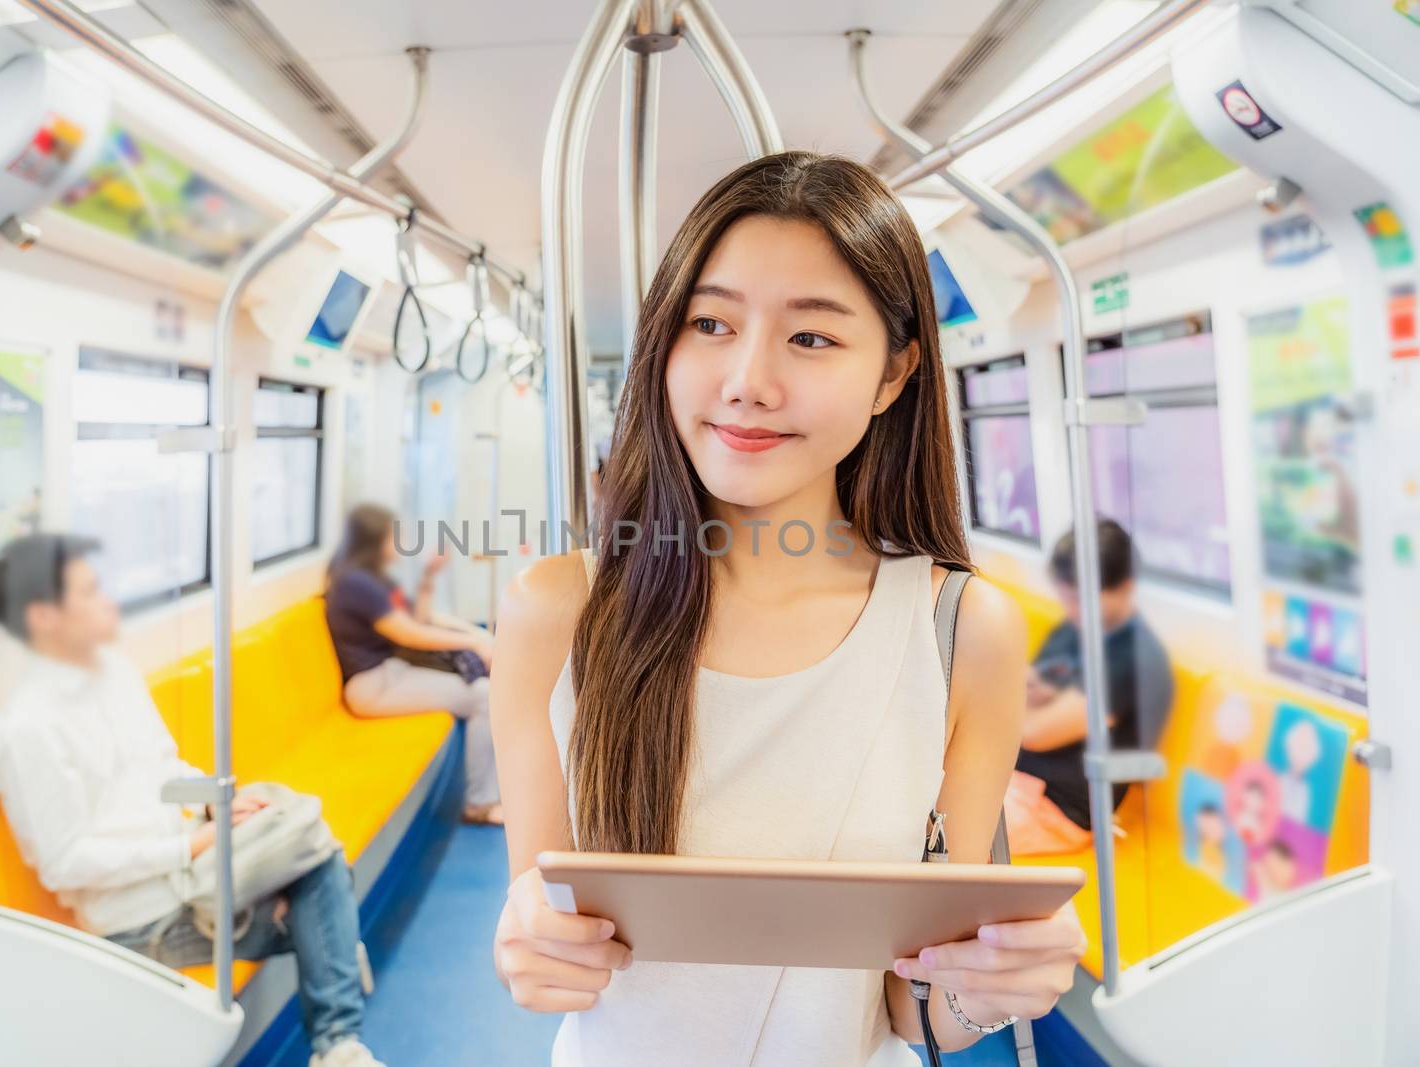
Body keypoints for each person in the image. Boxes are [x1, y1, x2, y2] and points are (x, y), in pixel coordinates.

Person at [489, 152, 1085, 1066]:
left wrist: (995, 982)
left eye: (811, 338)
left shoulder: (960, 632)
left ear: (893, 376)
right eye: (711, 323)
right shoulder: (554, 615)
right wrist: (529, 947)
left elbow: (915, 1010)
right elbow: (545, 951)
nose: (747, 380)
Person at [0, 534, 383, 1067]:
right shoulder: (24, 732)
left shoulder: (110, 673)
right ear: (44, 616)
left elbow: (164, 764)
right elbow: (64, 863)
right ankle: (337, 1034)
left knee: (312, 845)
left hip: (196, 870)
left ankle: (336, 1030)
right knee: (326, 887)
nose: (109, 602)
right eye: (91, 592)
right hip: (141, 918)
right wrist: (189, 847)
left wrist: (216, 804)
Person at [1006, 519, 1175, 855]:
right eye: (1068, 599)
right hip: (1015, 782)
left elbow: (1034, 730)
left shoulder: (1133, 659)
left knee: (940, 834)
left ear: (1126, 586)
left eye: (1083, 600)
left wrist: (1003, 689)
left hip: (1057, 810)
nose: (1073, 611)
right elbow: (1035, 688)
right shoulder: (1075, 629)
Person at [326, 503, 502, 824]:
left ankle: (484, 795)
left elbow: (417, 620)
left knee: (483, 691)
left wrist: (429, 575)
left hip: (392, 673)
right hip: (371, 686)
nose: (401, 542)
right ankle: (480, 803)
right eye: (395, 535)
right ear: (375, 539)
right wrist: (474, 640)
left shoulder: (374, 580)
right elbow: (410, 635)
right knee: (483, 698)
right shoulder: (356, 584)